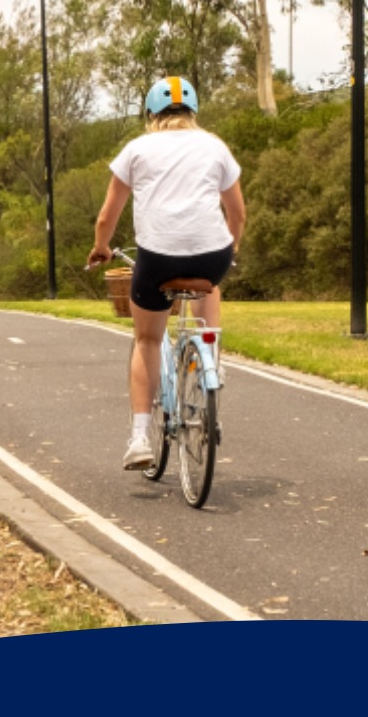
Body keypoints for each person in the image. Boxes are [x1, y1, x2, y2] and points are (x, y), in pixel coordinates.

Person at [87, 76, 246, 471]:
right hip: (212, 256)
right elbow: (238, 214)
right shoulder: (215, 146)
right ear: (192, 112)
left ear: (151, 114)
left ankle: (140, 437)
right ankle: (209, 352)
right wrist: (232, 247)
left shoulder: (136, 149)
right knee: (209, 280)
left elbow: (108, 215)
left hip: (158, 258)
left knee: (147, 339)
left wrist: (102, 248)